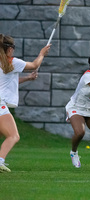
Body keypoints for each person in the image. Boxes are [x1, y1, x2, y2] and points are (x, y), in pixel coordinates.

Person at [0, 34, 51, 173]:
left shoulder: (6, 64)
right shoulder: (11, 62)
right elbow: (34, 64)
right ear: (9, 49)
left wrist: (28, 78)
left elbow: (8, 81)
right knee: (13, 135)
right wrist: (42, 54)